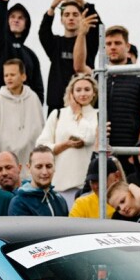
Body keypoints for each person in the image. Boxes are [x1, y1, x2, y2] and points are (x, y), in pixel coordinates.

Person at [100, 26, 140, 169]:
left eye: (117, 43)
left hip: (129, 156)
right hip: (102, 153)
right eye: (108, 44)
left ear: (127, 46)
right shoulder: (100, 77)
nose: (112, 47)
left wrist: (137, 153)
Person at [38, 73, 99, 204]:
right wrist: (65, 145)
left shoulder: (98, 114)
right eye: (78, 90)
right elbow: (41, 146)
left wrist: (78, 113)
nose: (83, 93)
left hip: (86, 184)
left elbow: (89, 137)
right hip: (60, 183)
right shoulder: (58, 114)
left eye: (87, 89)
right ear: (71, 93)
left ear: (94, 93)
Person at [38, 0, 101, 114]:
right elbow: (43, 32)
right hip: (58, 105)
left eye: (75, 14)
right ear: (61, 20)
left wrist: (83, 3)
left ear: (82, 18)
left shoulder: (88, 41)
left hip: (85, 104)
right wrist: (53, 6)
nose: (71, 18)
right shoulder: (55, 44)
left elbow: (98, 26)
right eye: (66, 15)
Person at [0, 60, 44, 174]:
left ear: (23, 76)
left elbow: (41, 128)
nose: (8, 78)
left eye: (12, 74)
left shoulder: (33, 98)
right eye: (6, 75)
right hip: (7, 163)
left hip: (30, 164)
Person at [8, 147, 68, 216]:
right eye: (39, 167)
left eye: (49, 166)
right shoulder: (19, 203)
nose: (44, 172)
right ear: (29, 168)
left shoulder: (60, 200)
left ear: (54, 167)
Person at [71, 155, 124, 219]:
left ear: (117, 176)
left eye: (101, 180)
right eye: (92, 181)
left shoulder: (130, 197)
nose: (96, 186)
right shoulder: (82, 204)